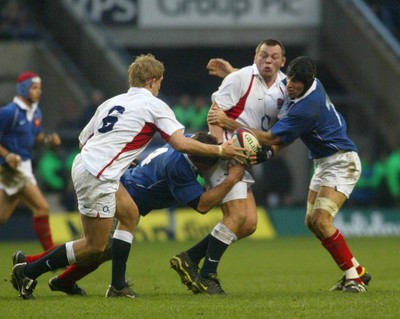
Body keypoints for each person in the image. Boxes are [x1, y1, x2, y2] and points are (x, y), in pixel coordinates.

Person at [11, 54, 247, 300]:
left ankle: (118, 286)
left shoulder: (112, 102)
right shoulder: (154, 105)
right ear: (153, 81)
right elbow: (179, 143)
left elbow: (83, 141)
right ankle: (29, 270)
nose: (160, 87)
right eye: (160, 82)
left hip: (91, 165)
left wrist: (121, 158)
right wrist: (222, 150)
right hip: (99, 173)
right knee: (94, 246)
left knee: (130, 214)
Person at [11, 132, 245, 296]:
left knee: (100, 250)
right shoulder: (180, 167)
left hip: (124, 189)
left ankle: (59, 279)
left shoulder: (190, 141)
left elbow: (208, 147)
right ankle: (30, 267)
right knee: (95, 247)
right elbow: (203, 206)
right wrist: (232, 179)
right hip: (122, 198)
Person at [213, 56, 371, 293]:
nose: (290, 86)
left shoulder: (307, 107)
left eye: (296, 83)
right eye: (290, 80)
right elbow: (272, 86)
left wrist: (229, 123)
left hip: (342, 161)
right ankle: (356, 270)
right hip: (322, 162)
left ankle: (354, 280)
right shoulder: (299, 84)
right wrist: (233, 71)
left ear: (309, 83)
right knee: (311, 222)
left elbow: (271, 139)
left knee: (321, 220)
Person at [170, 39, 287, 295]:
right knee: (236, 217)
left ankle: (189, 257)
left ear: (282, 61)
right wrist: (223, 150)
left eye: (274, 57)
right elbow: (214, 114)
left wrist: (266, 153)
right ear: (255, 56)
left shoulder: (285, 88)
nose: (268, 60)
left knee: (249, 224)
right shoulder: (240, 78)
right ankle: (208, 274)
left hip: (245, 156)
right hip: (225, 153)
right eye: (263, 55)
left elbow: (282, 133)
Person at [0, 72, 61, 250]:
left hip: (24, 167)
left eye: (40, 88)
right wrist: (7, 155)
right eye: (34, 88)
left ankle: (50, 256)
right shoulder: (9, 112)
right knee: (42, 207)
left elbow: (37, 137)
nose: (39, 92)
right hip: (12, 168)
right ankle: (51, 256)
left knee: (2, 216)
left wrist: (49, 141)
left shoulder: (36, 112)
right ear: (23, 89)